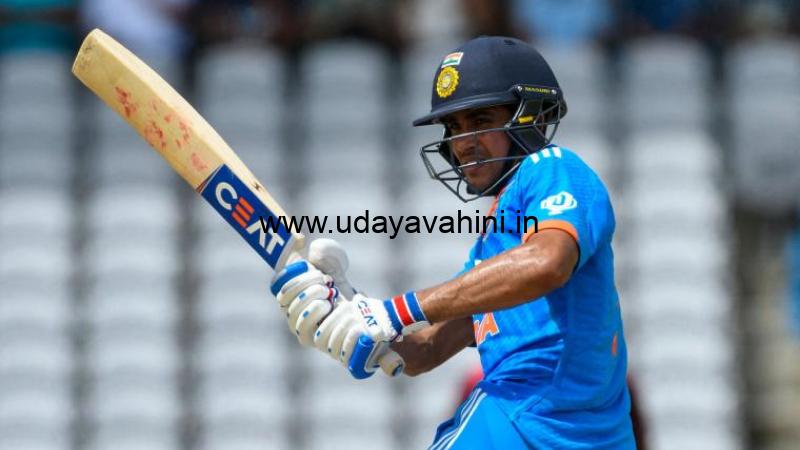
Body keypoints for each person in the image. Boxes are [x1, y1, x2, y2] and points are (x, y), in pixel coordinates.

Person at [271, 36, 635, 449]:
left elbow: (547, 262)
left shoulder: (552, 167)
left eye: (481, 120)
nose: (463, 142)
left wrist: (391, 312)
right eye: (455, 127)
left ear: (529, 116)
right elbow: (429, 348)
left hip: (529, 419)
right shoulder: (494, 248)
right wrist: (353, 319)